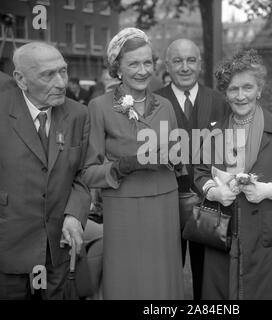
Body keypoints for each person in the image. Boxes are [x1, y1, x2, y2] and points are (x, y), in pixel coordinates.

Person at [193, 49, 272, 299]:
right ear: (225, 94)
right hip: (223, 231)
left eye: (247, 88)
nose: (241, 96)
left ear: (259, 90)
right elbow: (200, 172)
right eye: (233, 89)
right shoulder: (214, 132)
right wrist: (213, 191)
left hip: (266, 233)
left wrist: (268, 190)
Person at [82, 27, 184, 299]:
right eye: (134, 64)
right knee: (127, 280)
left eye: (147, 62)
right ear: (117, 68)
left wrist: (178, 156)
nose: (142, 71)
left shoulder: (165, 105)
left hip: (165, 204)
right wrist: (124, 165)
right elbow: (88, 173)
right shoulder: (99, 106)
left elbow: (178, 159)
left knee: (163, 279)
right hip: (123, 207)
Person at [0, 42, 90, 300]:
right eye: (48, 75)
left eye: (63, 71)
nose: (61, 82)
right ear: (21, 79)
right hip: (8, 247)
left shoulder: (78, 114)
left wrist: (74, 214)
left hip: (56, 250)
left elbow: (83, 174)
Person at [156, 38, 229, 300]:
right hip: (164, 202)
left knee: (206, 276)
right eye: (177, 60)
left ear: (200, 63)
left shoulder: (220, 101)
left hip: (208, 204)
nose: (185, 67)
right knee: (166, 275)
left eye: (190, 60)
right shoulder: (154, 101)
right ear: (167, 65)